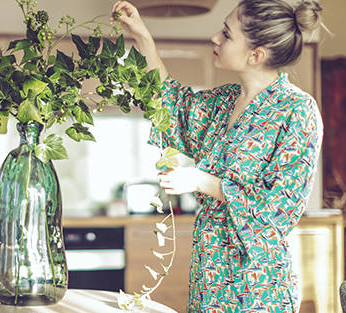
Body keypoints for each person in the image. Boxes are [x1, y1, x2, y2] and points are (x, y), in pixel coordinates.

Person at [111, 0, 324, 312]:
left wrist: (201, 181)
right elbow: (173, 106)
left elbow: (279, 210)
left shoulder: (297, 111)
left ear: (256, 54)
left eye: (227, 33)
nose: (215, 38)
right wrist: (142, 37)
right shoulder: (223, 101)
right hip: (207, 276)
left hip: (256, 286)